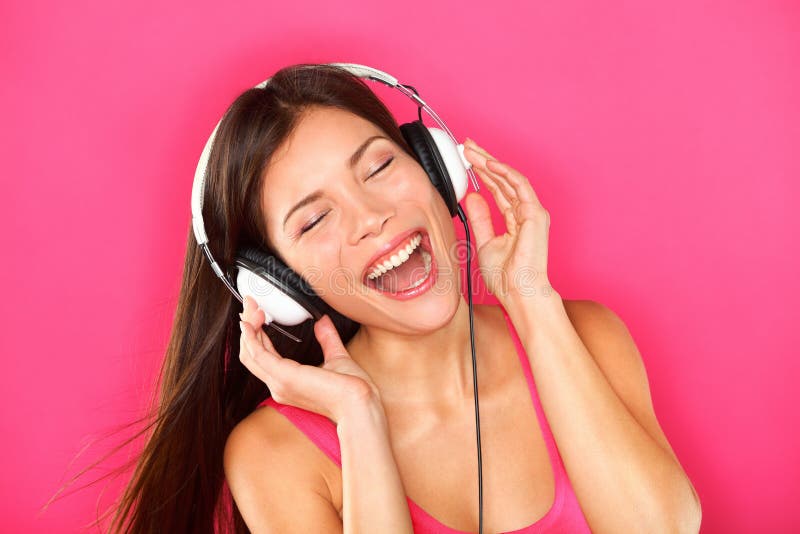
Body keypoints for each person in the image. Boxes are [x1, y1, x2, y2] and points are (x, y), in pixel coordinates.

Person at [105, 64, 701, 533]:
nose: (371, 216)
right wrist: (359, 419)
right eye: (314, 221)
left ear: (435, 167)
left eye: (379, 166)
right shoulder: (275, 454)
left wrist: (532, 302)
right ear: (280, 285)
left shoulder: (588, 337)